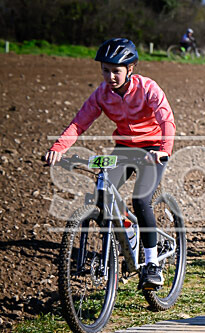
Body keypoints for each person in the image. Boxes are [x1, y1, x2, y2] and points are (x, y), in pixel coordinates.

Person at [45, 38, 175, 289]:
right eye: (105, 70)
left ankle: (151, 265)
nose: (110, 76)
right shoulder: (102, 94)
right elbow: (79, 123)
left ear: (130, 69)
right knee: (102, 198)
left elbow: (166, 120)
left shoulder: (148, 88)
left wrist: (163, 150)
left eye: (116, 71)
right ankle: (126, 242)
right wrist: (58, 148)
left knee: (140, 200)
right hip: (125, 148)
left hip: (152, 149)